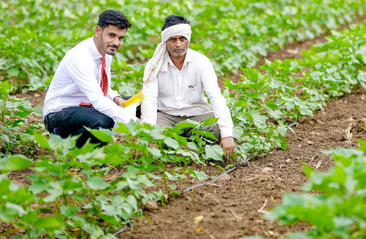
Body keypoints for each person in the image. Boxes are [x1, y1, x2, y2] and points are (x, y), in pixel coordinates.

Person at [141, 15, 235, 156]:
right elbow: (149, 99)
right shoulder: (154, 65)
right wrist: (149, 132)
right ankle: (192, 149)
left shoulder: (201, 62)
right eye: (173, 39)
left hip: (197, 116)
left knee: (218, 130)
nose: (178, 44)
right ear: (165, 41)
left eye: (182, 39)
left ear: (188, 40)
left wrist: (227, 134)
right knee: (157, 133)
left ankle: (179, 148)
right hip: (167, 116)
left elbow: (215, 97)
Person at [43, 9, 135, 148]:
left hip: (88, 107)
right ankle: (77, 151)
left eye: (120, 38)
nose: (116, 42)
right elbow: (97, 99)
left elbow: (103, 87)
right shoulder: (80, 57)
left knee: (138, 105)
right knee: (103, 121)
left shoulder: (106, 51)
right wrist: (134, 123)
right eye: (111, 35)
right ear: (98, 31)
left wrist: (116, 98)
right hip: (60, 113)